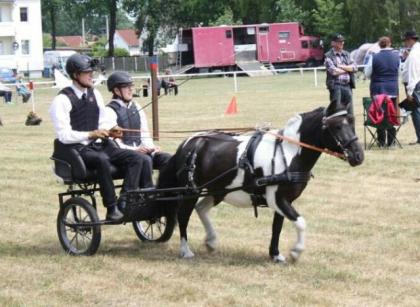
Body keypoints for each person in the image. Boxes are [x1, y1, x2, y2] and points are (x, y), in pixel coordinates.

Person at [49, 53, 147, 221]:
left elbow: (103, 120)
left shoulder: (95, 94)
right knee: (101, 159)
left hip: (99, 144)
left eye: (91, 72)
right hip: (77, 148)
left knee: (137, 158)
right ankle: (111, 208)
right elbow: (63, 135)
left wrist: (112, 129)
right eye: (87, 73)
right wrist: (90, 134)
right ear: (75, 75)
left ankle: (125, 201)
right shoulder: (62, 100)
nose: (91, 75)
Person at [105, 71, 172, 178]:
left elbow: (144, 133)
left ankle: (165, 190)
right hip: (124, 155)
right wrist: (135, 150)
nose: (131, 89)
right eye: (126, 87)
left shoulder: (136, 106)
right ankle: (144, 190)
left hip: (141, 151)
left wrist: (151, 148)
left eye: (131, 86)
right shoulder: (109, 110)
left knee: (167, 158)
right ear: (117, 90)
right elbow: (115, 142)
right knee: (145, 159)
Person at [364, 36, 400, 147]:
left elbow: (367, 73)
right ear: (390, 44)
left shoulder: (373, 57)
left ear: (379, 45)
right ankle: (391, 140)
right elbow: (398, 71)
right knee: (391, 115)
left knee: (379, 114)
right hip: (392, 90)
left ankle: (381, 140)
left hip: (378, 89)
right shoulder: (397, 56)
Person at [324, 34, 357, 115]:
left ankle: (350, 128)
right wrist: (348, 69)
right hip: (335, 86)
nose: (342, 43)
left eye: (342, 41)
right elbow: (334, 72)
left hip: (348, 86)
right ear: (333, 43)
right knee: (336, 112)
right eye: (339, 42)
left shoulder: (347, 54)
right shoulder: (328, 56)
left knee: (350, 113)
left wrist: (341, 66)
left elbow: (355, 68)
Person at [401, 31, 420, 145]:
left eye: (406, 40)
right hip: (417, 83)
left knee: (415, 111)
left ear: (410, 40)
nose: (405, 43)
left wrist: (409, 91)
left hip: (414, 84)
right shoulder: (415, 51)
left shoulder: (413, 54)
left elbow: (413, 73)